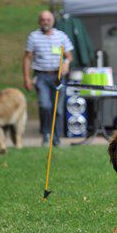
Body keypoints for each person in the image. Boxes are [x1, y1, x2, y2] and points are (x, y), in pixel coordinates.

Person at [23, 10, 74, 146]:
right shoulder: (33, 37)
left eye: (48, 19)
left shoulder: (61, 36)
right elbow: (27, 58)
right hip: (41, 76)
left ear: (52, 21)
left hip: (58, 77)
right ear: (39, 22)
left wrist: (66, 64)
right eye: (43, 20)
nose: (46, 22)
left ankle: (56, 139)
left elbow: (69, 56)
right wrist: (27, 78)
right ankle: (46, 135)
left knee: (58, 109)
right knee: (45, 106)